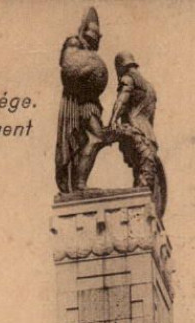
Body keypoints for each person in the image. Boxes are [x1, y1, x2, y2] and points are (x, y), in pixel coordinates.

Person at [55, 7, 109, 193]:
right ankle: (80, 184)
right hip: (80, 101)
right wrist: (87, 70)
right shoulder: (74, 43)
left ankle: (79, 184)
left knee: (92, 139)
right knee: (96, 137)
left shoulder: (88, 50)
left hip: (91, 101)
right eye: (92, 32)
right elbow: (69, 68)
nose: (95, 36)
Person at [107, 51, 167, 217]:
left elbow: (122, 101)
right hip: (149, 136)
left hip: (134, 132)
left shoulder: (128, 79)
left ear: (120, 67)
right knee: (146, 182)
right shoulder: (150, 88)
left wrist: (113, 120)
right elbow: (151, 118)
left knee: (141, 184)